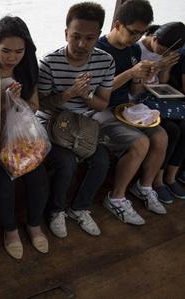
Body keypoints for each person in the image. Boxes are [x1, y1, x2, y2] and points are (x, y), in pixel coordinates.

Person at [36, 2, 113, 238]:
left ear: (99, 35)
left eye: (90, 38)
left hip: (83, 123)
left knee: (101, 160)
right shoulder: (49, 62)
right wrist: (69, 94)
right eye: (76, 36)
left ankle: (79, 208)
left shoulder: (106, 61)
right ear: (66, 33)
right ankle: (56, 211)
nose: (81, 44)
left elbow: (103, 103)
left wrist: (86, 95)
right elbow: (41, 104)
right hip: (51, 121)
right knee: (66, 163)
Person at [0, 16, 49, 259]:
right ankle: (10, 229)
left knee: (39, 176)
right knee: (5, 177)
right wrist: (2, 100)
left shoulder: (28, 69)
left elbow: (35, 107)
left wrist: (18, 100)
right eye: (6, 51)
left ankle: (33, 224)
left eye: (19, 51)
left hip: (21, 139)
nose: (12, 57)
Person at [94, 0, 168, 224]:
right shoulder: (98, 49)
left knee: (161, 136)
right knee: (140, 143)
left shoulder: (134, 50)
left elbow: (134, 90)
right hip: (100, 110)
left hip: (124, 107)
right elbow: (96, 94)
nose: (137, 38)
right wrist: (129, 73)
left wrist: (144, 76)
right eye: (133, 32)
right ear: (117, 24)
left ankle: (144, 186)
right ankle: (116, 198)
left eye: (142, 33)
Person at [137, 22, 185, 202]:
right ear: (155, 38)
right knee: (171, 130)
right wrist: (157, 65)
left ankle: (171, 177)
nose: (163, 54)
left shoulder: (166, 53)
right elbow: (135, 88)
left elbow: (161, 82)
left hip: (156, 100)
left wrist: (165, 67)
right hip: (139, 101)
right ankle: (157, 180)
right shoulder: (137, 49)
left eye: (168, 52)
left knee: (183, 126)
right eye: (162, 49)